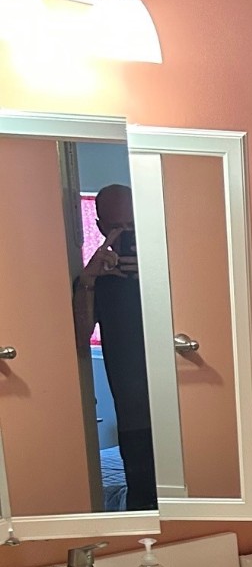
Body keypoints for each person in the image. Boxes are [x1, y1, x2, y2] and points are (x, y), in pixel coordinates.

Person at [73, 183, 157, 511]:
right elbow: (79, 338)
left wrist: (156, 274)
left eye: (132, 225)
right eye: (116, 227)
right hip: (134, 415)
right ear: (99, 227)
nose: (125, 234)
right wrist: (89, 280)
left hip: (184, 405)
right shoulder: (94, 280)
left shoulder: (168, 269)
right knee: (143, 499)